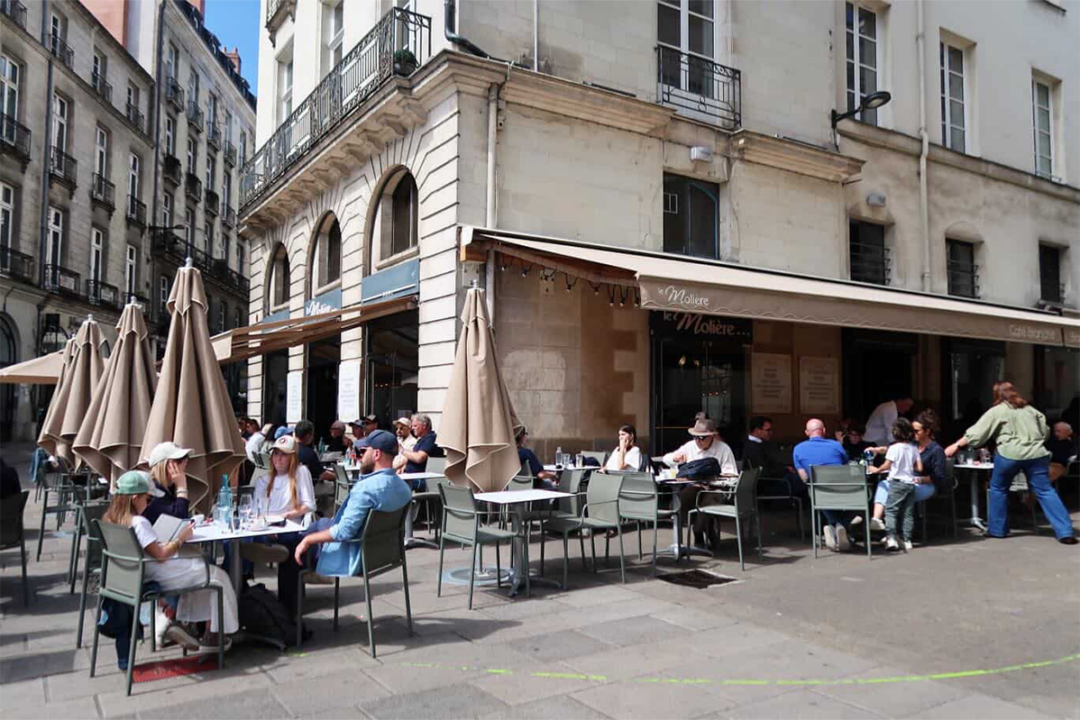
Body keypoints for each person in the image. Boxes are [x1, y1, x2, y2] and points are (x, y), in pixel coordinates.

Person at [103, 470, 238, 653]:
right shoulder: (139, 522)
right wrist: (180, 538)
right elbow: (161, 555)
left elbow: (150, 550)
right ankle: (216, 633)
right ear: (135, 498)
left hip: (134, 576)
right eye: (147, 499)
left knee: (202, 568)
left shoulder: (109, 519)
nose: (148, 504)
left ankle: (188, 623)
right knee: (216, 575)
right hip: (158, 575)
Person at [945, 382, 1076, 544]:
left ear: (996, 395)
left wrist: (956, 445)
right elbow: (1045, 432)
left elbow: (977, 433)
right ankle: (1065, 532)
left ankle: (997, 530)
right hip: (1036, 454)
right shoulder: (1030, 410)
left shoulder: (997, 411)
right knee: (1045, 490)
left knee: (998, 489)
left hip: (1009, 454)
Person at [292, 430, 412, 592]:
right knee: (321, 523)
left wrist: (308, 540)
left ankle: (290, 603)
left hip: (356, 556)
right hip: (387, 554)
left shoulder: (365, 489)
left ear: (376, 454)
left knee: (294, 547)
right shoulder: (404, 488)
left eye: (363, 451)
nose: (361, 456)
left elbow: (344, 532)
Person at [253, 435, 316, 614]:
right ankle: (240, 592)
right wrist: (266, 524)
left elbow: (309, 505)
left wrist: (286, 515)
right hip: (266, 528)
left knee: (291, 544)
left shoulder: (300, 473)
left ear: (292, 457)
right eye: (276, 454)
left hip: (289, 527)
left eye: (284, 455)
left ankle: (288, 607)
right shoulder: (263, 480)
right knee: (234, 544)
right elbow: (256, 510)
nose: (279, 459)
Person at [859, 410, 945, 532]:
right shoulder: (913, 444)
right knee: (884, 485)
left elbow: (938, 477)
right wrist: (877, 450)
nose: (913, 433)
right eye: (912, 430)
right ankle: (876, 519)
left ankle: (893, 533)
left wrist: (919, 479)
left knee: (897, 493)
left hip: (926, 485)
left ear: (927, 432)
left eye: (916, 431)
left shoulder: (936, 450)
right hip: (906, 481)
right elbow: (895, 449)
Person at [662, 418, 738, 546]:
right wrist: (675, 458)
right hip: (694, 486)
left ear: (712, 436)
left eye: (702, 437)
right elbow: (666, 458)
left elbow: (733, 476)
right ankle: (705, 530)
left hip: (716, 488)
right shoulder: (690, 446)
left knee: (706, 506)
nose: (698, 440)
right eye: (695, 437)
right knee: (679, 503)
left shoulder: (723, 449)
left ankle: (698, 531)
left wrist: (716, 478)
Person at [792, 418, 854, 552]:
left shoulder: (798, 449)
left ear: (807, 432)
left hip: (819, 492)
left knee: (815, 493)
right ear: (824, 431)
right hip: (844, 490)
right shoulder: (836, 445)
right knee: (863, 500)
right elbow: (846, 465)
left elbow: (804, 477)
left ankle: (834, 525)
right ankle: (843, 525)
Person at [868, 418, 923, 552]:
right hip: (910, 483)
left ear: (895, 433)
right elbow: (920, 468)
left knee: (891, 511)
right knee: (908, 513)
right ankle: (907, 540)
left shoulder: (893, 448)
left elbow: (887, 465)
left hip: (896, 482)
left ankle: (891, 537)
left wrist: (876, 470)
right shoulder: (914, 448)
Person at [142, 442, 193, 525]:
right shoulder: (153, 491)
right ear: (166, 465)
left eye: (186, 457)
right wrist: (182, 488)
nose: (185, 461)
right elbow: (179, 521)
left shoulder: (170, 488)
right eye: (179, 459)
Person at [400, 413, 441, 489]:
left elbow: (419, 458)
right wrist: (403, 467)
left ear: (424, 426)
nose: (412, 428)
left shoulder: (430, 438)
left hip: (420, 479)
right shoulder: (422, 439)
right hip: (411, 476)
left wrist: (401, 450)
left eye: (415, 426)